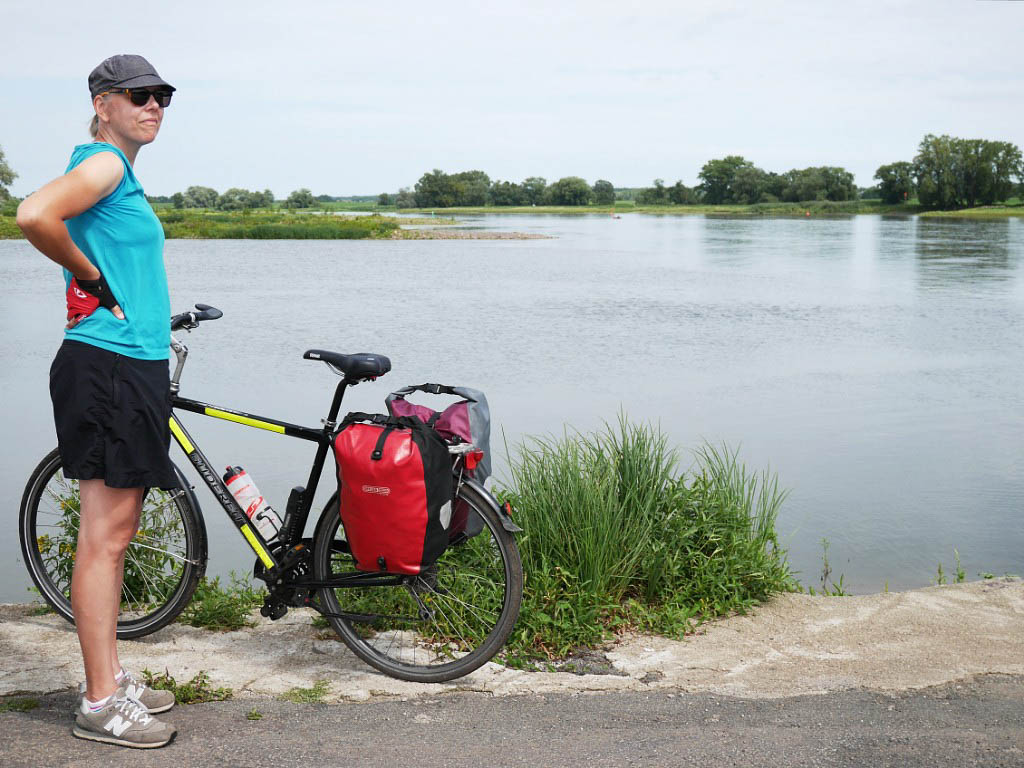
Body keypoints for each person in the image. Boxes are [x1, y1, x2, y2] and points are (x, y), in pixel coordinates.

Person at [17, 54, 180, 749]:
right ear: (104, 103)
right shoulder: (105, 165)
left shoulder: (122, 173)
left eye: (163, 95)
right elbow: (33, 214)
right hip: (108, 366)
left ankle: (111, 674)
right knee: (105, 540)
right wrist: (88, 275)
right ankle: (98, 702)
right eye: (140, 95)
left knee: (111, 535)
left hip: (125, 361)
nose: (155, 105)